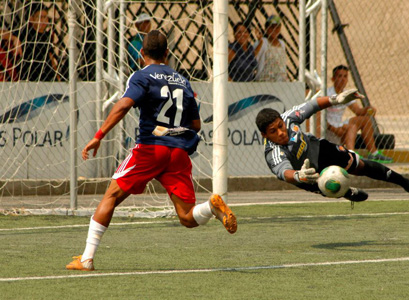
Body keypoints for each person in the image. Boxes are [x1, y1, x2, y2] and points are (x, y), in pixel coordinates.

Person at [66, 30, 237, 271]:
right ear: (167, 54)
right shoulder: (182, 80)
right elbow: (196, 125)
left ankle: (86, 259)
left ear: (142, 54)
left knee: (111, 197)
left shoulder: (141, 76)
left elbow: (124, 104)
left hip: (150, 149)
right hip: (177, 153)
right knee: (187, 217)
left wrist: (98, 136)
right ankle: (211, 206)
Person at [255, 89, 409, 203]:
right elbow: (284, 172)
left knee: (360, 165)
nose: (280, 132)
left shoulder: (288, 118)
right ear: (264, 135)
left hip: (320, 150)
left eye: (280, 126)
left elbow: (313, 105)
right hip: (306, 175)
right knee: (330, 187)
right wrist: (298, 175)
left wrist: (336, 99)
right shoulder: (273, 152)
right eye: (273, 131)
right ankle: (345, 192)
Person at [326, 65, 393, 163]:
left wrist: (368, 110)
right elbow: (319, 116)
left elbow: (358, 111)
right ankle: (351, 155)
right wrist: (332, 128)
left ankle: (373, 153)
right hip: (329, 129)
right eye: (339, 76)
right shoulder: (327, 93)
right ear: (333, 79)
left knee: (366, 120)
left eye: (345, 76)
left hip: (339, 125)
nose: (342, 79)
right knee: (352, 127)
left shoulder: (346, 94)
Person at [18, 3, 59, 81]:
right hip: (30, 74)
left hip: (47, 74)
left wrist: (57, 76)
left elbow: (50, 56)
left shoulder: (47, 35)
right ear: (31, 19)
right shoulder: (25, 34)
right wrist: (14, 39)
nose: (43, 20)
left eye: (45, 17)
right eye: (40, 17)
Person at [254, 15, 288, 82]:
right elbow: (254, 59)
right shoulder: (262, 42)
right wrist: (260, 42)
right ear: (266, 28)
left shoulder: (282, 43)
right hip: (264, 81)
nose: (274, 30)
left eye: (277, 27)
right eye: (272, 27)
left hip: (280, 81)